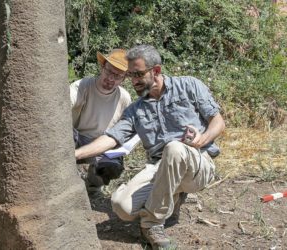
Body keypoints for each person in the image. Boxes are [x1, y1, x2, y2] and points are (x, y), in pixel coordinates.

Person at [75, 45, 225, 249]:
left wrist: (202, 138)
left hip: (197, 162)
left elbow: (218, 121)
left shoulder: (189, 85)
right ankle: (172, 197)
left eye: (138, 74)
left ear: (156, 71)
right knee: (122, 207)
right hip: (158, 168)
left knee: (174, 148)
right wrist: (75, 154)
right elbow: (111, 139)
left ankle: (152, 224)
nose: (134, 81)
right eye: (130, 75)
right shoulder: (135, 110)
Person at [70, 49, 131, 192]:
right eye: (109, 72)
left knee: (112, 167)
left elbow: (125, 130)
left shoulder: (124, 98)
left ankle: (92, 185)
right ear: (102, 67)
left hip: (103, 144)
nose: (111, 78)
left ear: (124, 78)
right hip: (76, 138)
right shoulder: (82, 86)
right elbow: (62, 104)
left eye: (117, 76)